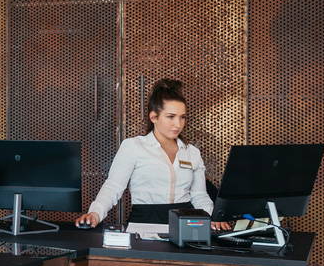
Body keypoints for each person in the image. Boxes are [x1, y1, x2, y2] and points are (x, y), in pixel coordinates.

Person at [75, 79, 230, 230]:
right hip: (144, 223)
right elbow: (113, 187)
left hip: (185, 225)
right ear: (154, 117)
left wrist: (213, 218)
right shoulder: (133, 146)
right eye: (171, 117)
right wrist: (95, 214)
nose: (178, 124)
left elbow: (199, 195)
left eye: (182, 117)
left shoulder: (192, 153)